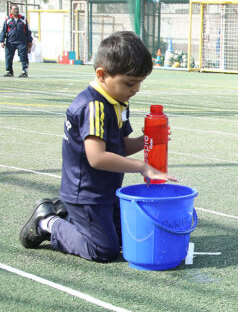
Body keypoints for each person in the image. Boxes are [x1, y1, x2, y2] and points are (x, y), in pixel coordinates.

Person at [19, 31, 176, 261]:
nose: (136, 89)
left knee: (126, 239)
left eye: (140, 83)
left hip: (106, 191)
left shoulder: (118, 101)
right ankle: (47, 222)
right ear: (102, 75)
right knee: (103, 250)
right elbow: (97, 158)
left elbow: (120, 145)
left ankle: (67, 214)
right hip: (86, 193)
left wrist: (147, 141)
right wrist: (143, 167)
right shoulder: (93, 107)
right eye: (130, 83)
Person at [2, 4, 34, 77]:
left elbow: (28, 31)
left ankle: (24, 71)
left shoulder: (23, 19)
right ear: (11, 10)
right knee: (8, 57)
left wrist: (29, 41)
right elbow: (3, 31)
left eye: (17, 9)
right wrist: (2, 41)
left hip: (22, 42)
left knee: (23, 56)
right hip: (10, 42)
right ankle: (9, 71)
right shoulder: (7, 19)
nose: (16, 10)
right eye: (14, 9)